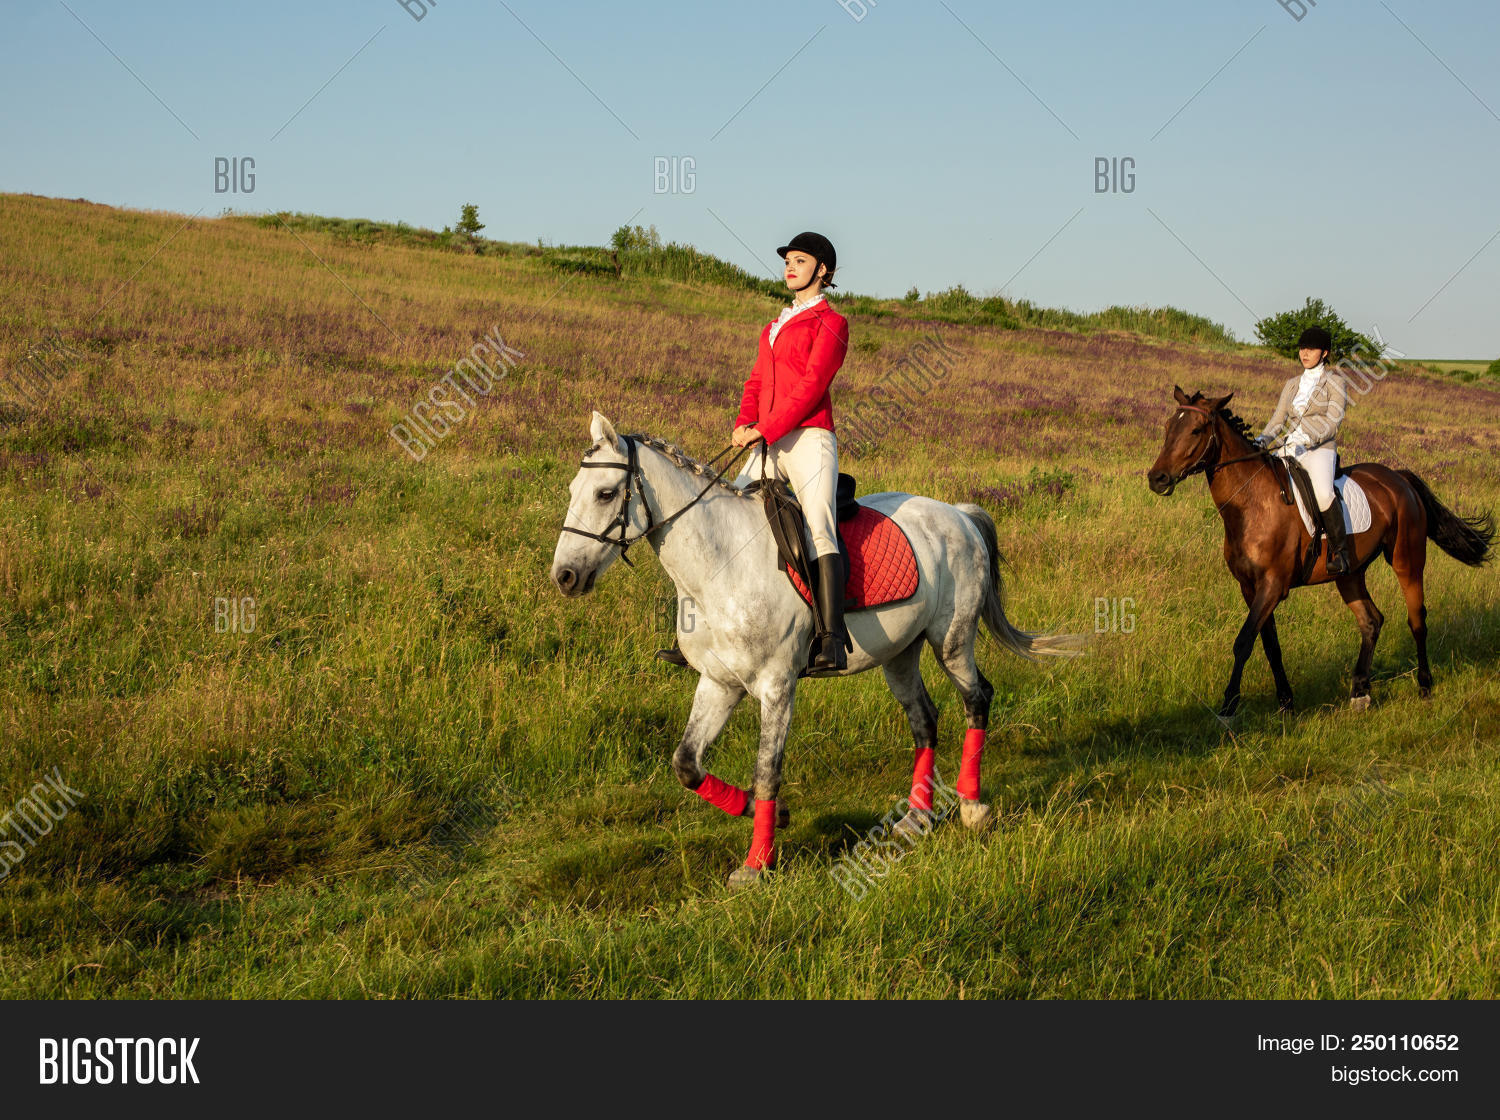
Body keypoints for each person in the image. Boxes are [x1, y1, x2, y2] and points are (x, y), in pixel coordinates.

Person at [656, 231, 852, 670]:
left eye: (800, 261)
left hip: (809, 439)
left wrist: (765, 427)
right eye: (789, 261)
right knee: (723, 517)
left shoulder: (832, 324)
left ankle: (831, 640)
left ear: (822, 271)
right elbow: (757, 382)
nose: (790, 267)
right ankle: (698, 634)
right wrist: (746, 421)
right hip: (766, 439)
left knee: (820, 527)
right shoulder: (773, 326)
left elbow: (810, 389)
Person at [1254, 325, 1351, 574]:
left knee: (1323, 493)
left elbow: (1333, 422)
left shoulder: (1336, 382)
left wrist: (1310, 437)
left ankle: (1341, 553)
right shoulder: (1292, 384)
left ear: (1325, 353)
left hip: (1319, 448)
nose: (1305, 353)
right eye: (1302, 348)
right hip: (1290, 447)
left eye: (1311, 349)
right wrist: (1262, 441)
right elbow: (1278, 419)